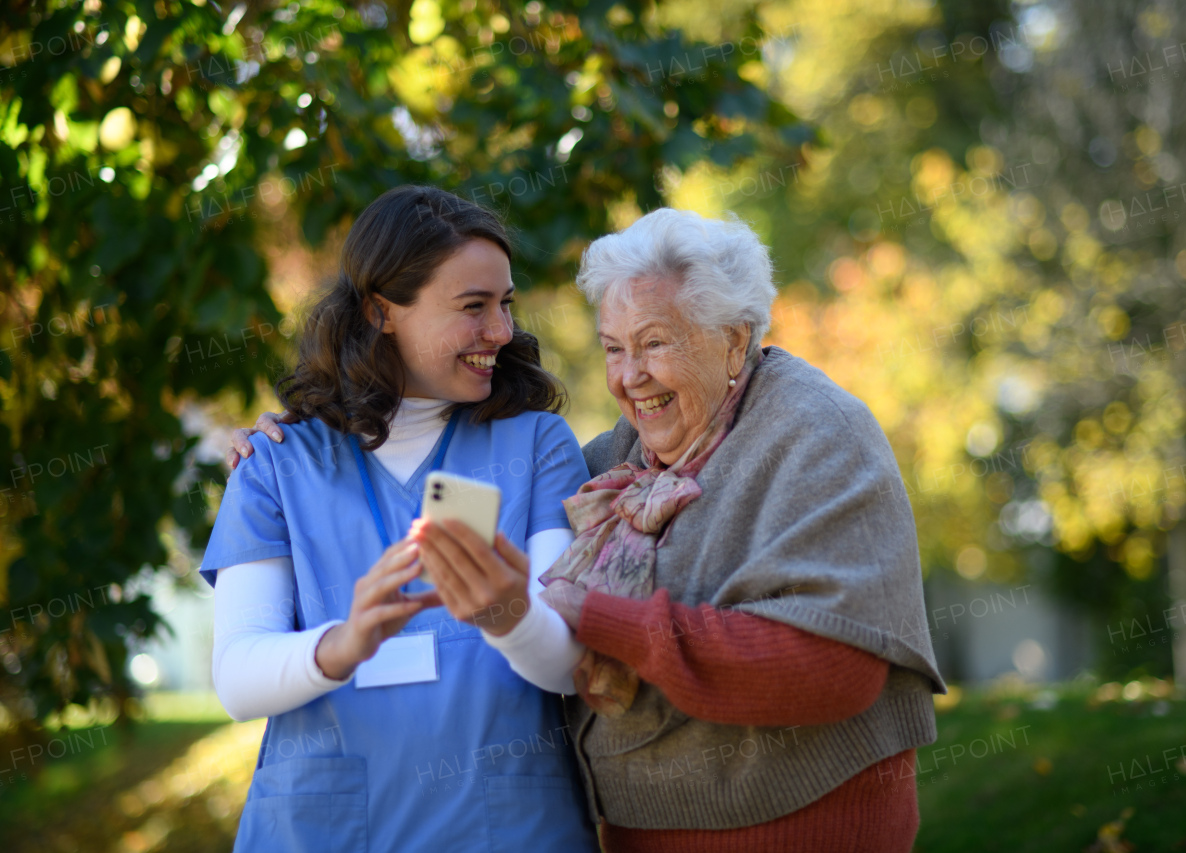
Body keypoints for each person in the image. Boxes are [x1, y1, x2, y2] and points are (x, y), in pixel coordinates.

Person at [234, 207, 946, 852]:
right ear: (379, 312)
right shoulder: (615, 459)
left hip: (798, 826)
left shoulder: (815, 433)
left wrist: (580, 613)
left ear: (735, 341)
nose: (631, 377)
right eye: (613, 348)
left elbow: (833, 667)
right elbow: (239, 668)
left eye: (655, 343)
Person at [206, 185, 598, 853]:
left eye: (505, 304)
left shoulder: (537, 443)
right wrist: (346, 641)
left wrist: (508, 611)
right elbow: (238, 678)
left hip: (505, 829)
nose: (501, 331)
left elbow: (572, 664)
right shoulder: (274, 461)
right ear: (380, 311)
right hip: (321, 831)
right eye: (472, 307)